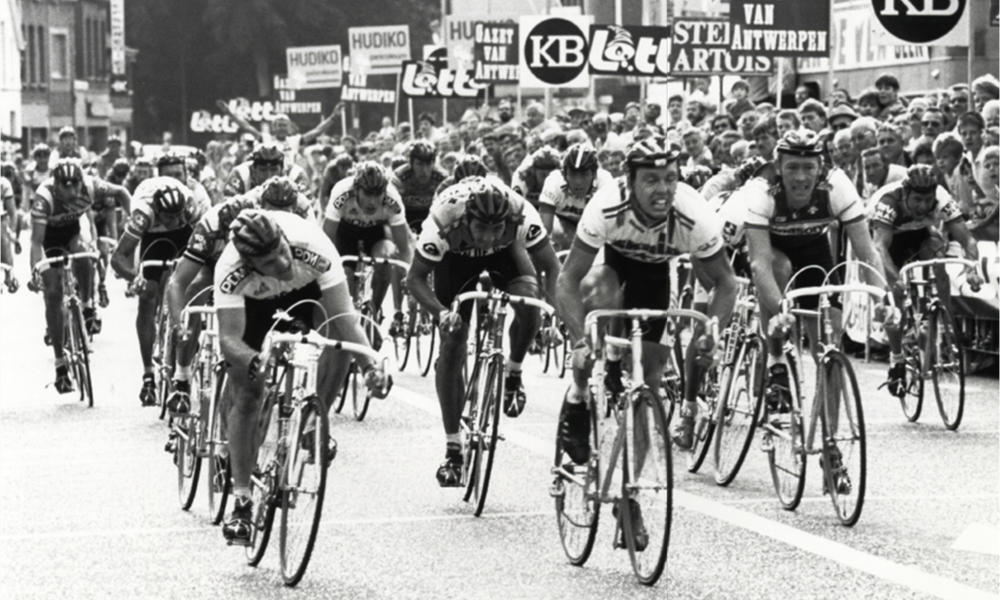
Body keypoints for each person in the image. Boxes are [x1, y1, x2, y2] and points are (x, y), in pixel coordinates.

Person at [555, 136, 737, 460]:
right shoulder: (607, 205)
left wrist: (713, 331)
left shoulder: (693, 214)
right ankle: (579, 392)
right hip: (613, 265)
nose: (663, 189)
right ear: (630, 180)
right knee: (599, 293)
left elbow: (725, 282)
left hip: (656, 274)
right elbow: (568, 278)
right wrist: (580, 339)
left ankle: (631, 493)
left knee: (650, 377)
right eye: (651, 180)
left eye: (670, 178)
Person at [215, 210, 389, 545]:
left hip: (307, 294)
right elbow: (229, 340)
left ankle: (313, 420)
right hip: (254, 307)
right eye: (271, 260)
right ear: (251, 263)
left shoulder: (312, 244)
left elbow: (344, 318)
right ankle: (240, 502)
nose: (283, 261)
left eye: (282, 249)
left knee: (338, 342)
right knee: (248, 394)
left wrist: (369, 367)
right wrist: (254, 361)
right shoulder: (230, 268)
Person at [405, 177, 560, 486]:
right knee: (453, 339)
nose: (488, 238)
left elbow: (552, 268)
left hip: (508, 255)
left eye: (495, 229)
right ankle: (453, 449)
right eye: (481, 229)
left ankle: (513, 373)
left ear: (507, 222)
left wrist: (552, 319)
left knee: (530, 302)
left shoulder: (520, 214)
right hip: (455, 260)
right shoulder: (444, 220)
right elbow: (415, 280)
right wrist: (441, 314)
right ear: (468, 219)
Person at [743, 129, 885, 421]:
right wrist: (781, 309)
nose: (800, 177)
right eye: (792, 167)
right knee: (780, 269)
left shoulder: (837, 186)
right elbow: (760, 264)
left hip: (813, 247)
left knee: (828, 347)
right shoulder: (761, 189)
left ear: (820, 168)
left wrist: (884, 298)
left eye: (808, 168)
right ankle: (776, 359)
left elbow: (868, 252)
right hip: (772, 247)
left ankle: (829, 441)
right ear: (778, 167)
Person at [162, 176, 314, 422]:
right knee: (195, 290)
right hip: (212, 266)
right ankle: (181, 376)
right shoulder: (210, 224)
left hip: (251, 271)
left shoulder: (267, 224)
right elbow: (178, 281)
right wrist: (179, 324)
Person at [870, 164, 983, 397]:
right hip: (889, 241)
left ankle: (939, 319)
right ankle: (897, 359)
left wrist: (973, 268)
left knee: (935, 254)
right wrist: (895, 280)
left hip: (921, 234)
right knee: (895, 299)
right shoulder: (889, 202)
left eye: (927, 200)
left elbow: (968, 241)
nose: (923, 206)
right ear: (906, 193)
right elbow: (879, 248)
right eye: (917, 200)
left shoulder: (941, 197)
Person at [31, 159, 131, 391]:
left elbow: (122, 192)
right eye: (66, 186)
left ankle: (86, 305)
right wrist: (37, 270)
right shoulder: (44, 197)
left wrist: (134, 220)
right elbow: (36, 242)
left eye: (76, 185)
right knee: (53, 294)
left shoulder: (91, 186)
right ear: (56, 185)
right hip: (50, 240)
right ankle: (60, 366)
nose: (73, 191)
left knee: (87, 256)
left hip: (73, 234)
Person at [111, 176, 208, 406]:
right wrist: (135, 279)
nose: (174, 221)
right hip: (153, 237)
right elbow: (118, 258)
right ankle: (147, 376)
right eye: (169, 217)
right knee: (147, 296)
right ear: (158, 210)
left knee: (192, 289)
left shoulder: (189, 208)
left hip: (185, 236)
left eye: (178, 216)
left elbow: (207, 247)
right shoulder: (143, 213)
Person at [323, 161, 413, 336]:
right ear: (356, 189)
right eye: (367, 194)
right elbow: (326, 241)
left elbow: (403, 247)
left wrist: (408, 275)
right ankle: (347, 319)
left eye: (378, 194)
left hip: (375, 233)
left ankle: (375, 310)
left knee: (387, 256)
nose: (373, 201)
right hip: (346, 233)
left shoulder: (392, 199)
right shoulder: (341, 192)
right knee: (344, 274)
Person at [538, 143, 614, 249]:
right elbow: (543, 234)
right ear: (564, 175)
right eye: (573, 174)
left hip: (594, 224)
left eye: (584, 175)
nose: (578, 182)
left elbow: (610, 230)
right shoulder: (554, 181)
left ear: (594, 175)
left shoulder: (605, 182)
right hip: (563, 221)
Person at [391, 140, 448, 233]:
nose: (424, 170)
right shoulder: (399, 177)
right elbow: (392, 211)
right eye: (420, 164)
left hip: (432, 217)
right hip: (405, 216)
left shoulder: (442, 178)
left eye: (428, 164)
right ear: (411, 164)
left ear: (434, 164)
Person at [223, 143, 309, 199]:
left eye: (274, 170)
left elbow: (308, 216)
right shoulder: (240, 174)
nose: (269, 176)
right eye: (263, 170)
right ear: (253, 169)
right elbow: (225, 212)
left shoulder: (296, 175)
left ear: (282, 169)